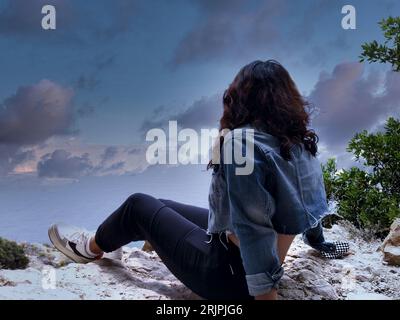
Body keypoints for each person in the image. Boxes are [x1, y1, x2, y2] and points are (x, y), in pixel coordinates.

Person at [48, 60, 349, 300]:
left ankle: (89, 248)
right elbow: (307, 209)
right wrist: (320, 243)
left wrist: (263, 295)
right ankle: (117, 240)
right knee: (162, 205)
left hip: (227, 277)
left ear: (240, 98)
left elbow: (251, 228)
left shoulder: (241, 144)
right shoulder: (298, 143)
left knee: (138, 205)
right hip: (247, 261)